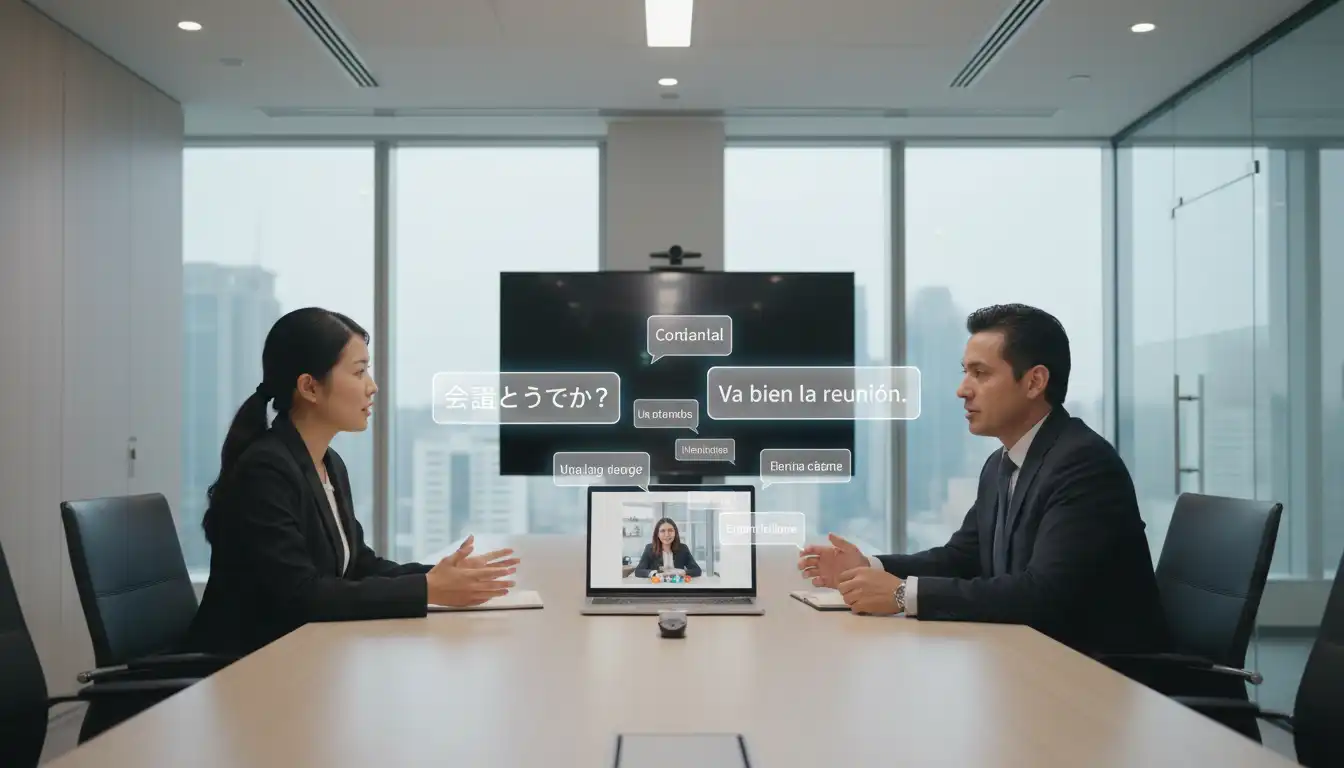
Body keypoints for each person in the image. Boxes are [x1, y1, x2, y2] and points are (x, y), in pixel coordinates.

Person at [798, 303, 1168, 656]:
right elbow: (963, 558)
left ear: (1035, 381)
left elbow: (1046, 594)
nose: (963, 389)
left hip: (1101, 676)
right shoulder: (1000, 463)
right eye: (965, 372)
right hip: (1026, 660)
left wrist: (902, 595)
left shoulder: (1083, 464)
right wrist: (871, 567)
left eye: (981, 373)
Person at [186, 308, 519, 656]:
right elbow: (300, 595)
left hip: (305, 660)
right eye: (359, 372)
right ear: (309, 387)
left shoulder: (328, 463)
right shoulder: (266, 470)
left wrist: (443, 575)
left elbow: (358, 565)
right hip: (243, 671)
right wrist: (427, 589)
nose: (372, 387)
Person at [633, 518, 703, 578]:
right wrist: (654, 573)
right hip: (657, 587)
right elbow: (638, 571)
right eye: (662, 531)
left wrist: (682, 572)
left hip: (678, 587)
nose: (667, 534)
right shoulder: (649, 548)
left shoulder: (683, 548)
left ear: (675, 533)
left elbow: (697, 570)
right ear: (657, 534)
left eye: (670, 530)